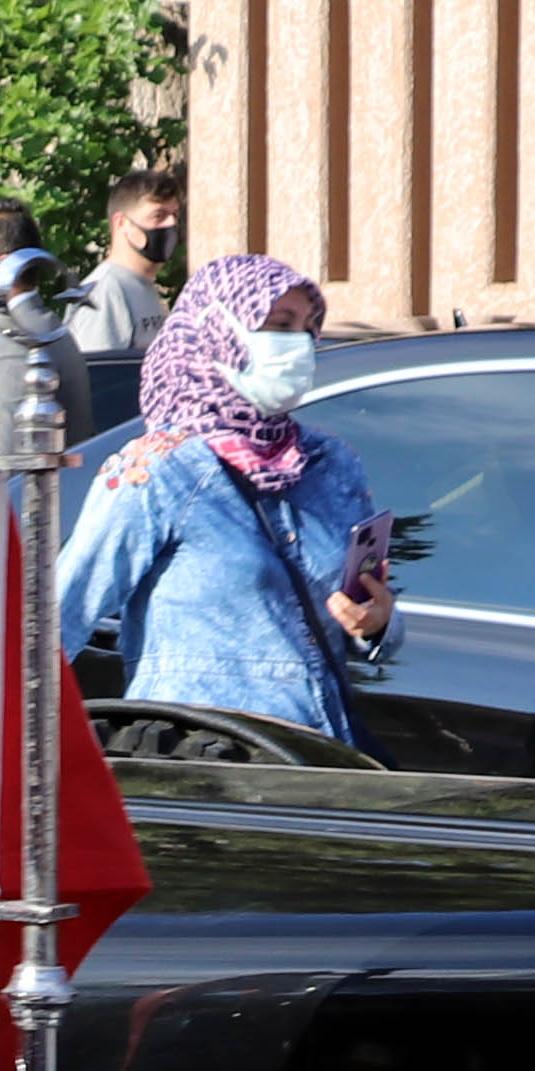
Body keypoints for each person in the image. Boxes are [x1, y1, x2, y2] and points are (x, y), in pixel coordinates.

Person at [53, 253, 392, 742]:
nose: (299, 344)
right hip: (201, 764)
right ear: (219, 330)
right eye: (280, 325)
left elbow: (370, 617)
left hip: (315, 758)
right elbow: (56, 621)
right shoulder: (157, 470)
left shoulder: (330, 465)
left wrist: (377, 623)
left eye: (307, 328)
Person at [63, 166, 180, 406]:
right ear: (122, 223)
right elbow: (100, 386)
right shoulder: (105, 291)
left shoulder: (141, 286)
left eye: (174, 215)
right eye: (158, 216)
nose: (171, 224)